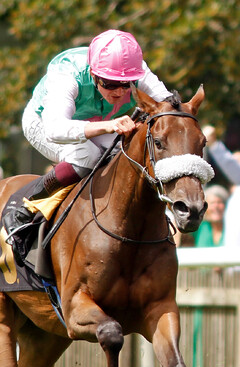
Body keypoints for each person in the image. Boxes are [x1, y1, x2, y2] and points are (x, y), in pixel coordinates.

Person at [3, 29, 172, 251]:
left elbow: (169, 106)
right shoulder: (66, 74)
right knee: (87, 155)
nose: (120, 92)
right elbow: (55, 128)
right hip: (44, 123)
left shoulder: (136, 70)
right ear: (93, 73)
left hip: (96, 123)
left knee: (131, 152)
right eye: (110, 84)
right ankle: (24, 204)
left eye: (126, 84)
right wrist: (109, 125)